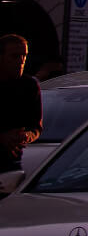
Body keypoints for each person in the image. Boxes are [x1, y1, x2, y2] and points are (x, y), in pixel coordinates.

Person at [0, 34, 41, 173]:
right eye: (14, 56)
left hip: (13, 162)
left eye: (24, 56)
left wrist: (26, 136)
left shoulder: (29, 85)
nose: (21, 61)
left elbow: (36, 127)